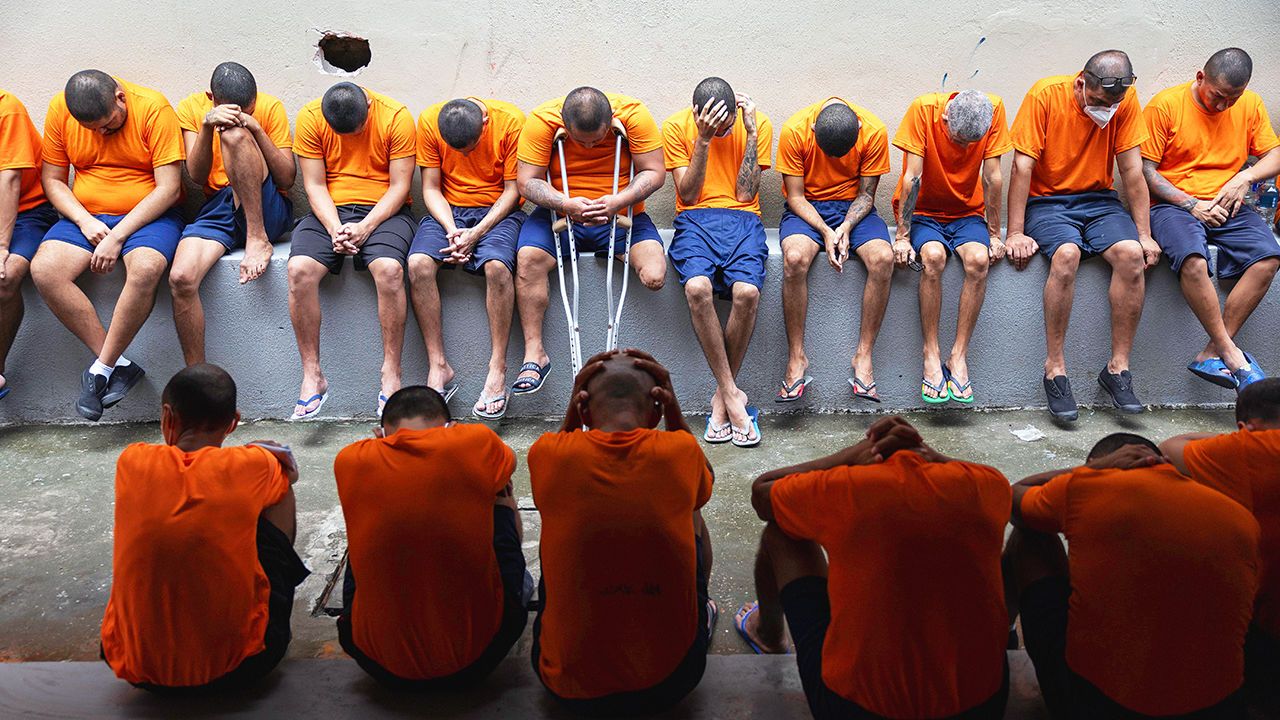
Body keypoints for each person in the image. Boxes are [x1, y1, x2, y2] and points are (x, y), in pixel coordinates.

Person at [740, 416, 1011, 719]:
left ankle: (770, 634)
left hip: (854, 709)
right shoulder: (986, 485)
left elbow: (762, 492)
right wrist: (933, 454)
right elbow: (1010, 494)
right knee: (990, 544)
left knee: (781, 534)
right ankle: (1006, 632)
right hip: (982, 706)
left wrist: (851, 456)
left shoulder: (847, 486)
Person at [1006, 432, 1259, 718]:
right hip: (1221, 707)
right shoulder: (1238, 515)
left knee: (1029, 537)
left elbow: (1013, 501)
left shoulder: (1086, 487)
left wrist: (1088, 472)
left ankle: (1005, 635)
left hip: (1100, 704)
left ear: (1098, 463)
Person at [527, 348, 715, 714]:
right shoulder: (679, 452)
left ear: (583, 409)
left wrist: (574, 405)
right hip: (671, 682)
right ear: (657, 409)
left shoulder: (549, 453)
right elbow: (704, 479)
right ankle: (702, 609)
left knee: (560, 508)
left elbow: (561, 445)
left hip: (566, 685)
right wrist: (672, 408)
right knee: (691, 503)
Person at [100, 364, 308, 693]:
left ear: (168, 416)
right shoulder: (253, 465)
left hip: (133, 663)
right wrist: (257, 451)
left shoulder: (132, 460)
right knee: (279, 491)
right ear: (233, 422)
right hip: (243, 668)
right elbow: (289, 473)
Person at [334, 385, 530, 688]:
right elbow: (508, 468)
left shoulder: (350, 460)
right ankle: (516, 586)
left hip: (377, 662)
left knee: (368, 522)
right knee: (500, 492)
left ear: (379, 435)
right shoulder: (475, 441)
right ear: (451, 428)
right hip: (478, 659)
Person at [1006, 50, 1161, 421]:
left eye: (1112, 103)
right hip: (1049, 202)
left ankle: (1117, 369)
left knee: (1130, 255)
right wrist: (1014, 231)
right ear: (1081, 84)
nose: (1105, 109)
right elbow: (1021, 166)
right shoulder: (1045, 95)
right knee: (1066, 255)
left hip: (1099, 200)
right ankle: (1055, 368)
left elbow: (1132, 170)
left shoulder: (1124, 101)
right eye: (1097, 101)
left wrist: (1144, 234)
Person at [32, 70, 186, 421]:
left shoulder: (152, 108)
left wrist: (117, 236)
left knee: (146, 267)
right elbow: (52, 181)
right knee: (44, 270)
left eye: (109, 125)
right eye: (93, 130)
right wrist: (86, 221)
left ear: (120, 97)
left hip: (150, 216)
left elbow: (168, 188)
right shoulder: (61, 110)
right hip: (86, 216)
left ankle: (100, 369)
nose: (101, 133)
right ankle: (118, 365)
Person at [512, 87, 667, 396]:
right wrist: (566, 204)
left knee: (655, 275)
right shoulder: (543, 120)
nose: (589, 146)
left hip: (621, 215)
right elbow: (526, 181)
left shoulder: (634, 114)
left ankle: (607, 249)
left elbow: (655, 172)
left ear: (611, 121)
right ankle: (535, 355)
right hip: (560, 214)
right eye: (580, 141)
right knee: (528, 259)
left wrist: (617, 201)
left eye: (597, 140)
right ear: (565, 126)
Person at [1142, 48, 1278, 392]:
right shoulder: (1166, 105)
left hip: (1228, 203)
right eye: (1217, 96)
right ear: (1200, 77)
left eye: (1232, 99)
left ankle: (1212, 351)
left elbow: (1274, 154)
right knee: (1192, 259)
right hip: (1173, 205)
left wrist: (1243, 179)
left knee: (1269, 256)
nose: (1223, 106)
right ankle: (1232, 355)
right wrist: (1191, 204)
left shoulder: (1249, 105)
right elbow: (1145, 170)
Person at [288, 82, 416, 420]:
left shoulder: (395, 117)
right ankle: (312, 374)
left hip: (384, 210)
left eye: (356, 131)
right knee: (298, 270)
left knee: (389, 270)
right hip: (331, 210)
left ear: (368, 110)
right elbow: (314, 184)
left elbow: (400, 187)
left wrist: (365, 227)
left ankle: (391, 374)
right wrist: (334, 228)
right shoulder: (311, 117)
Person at [663, 77, 772, 446]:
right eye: (717, 128)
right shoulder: (677, 127)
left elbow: (745, 193)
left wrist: (752, 134)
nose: (725, 133)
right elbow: (689, 195)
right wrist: (704, 139)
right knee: (697, 287)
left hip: (744, 218)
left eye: (727, 128)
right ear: (697, 114)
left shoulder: (756, 125)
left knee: (746, 294)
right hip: (695, 219)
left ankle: (720, 399)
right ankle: (732, 397)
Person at [1161, 377, 1280, 713]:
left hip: (1264, 635)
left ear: (1247, 428)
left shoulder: (1246, 449)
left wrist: (1244, 438)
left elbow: (1170, 449)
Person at [169, 61, 296, 366]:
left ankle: (256, 237)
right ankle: (198, 378)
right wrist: (206, 126)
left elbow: (287, 179)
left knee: (235, 136)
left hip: (267, 207)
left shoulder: (270, 107)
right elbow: (198, 177)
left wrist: (256, 128)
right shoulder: (192, 108)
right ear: (210, 96)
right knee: (181, 278)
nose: (244, 115)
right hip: (220, 206)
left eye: (249, 110)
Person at [893, 89, 1012, 405]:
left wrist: (995, 234)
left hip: (967, 213)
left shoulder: (993, 109)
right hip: (924, 213)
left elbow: (993, 177)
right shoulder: (924, 110)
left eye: (971, 143)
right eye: (958, 140)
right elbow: (911, 178)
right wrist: (903, 236)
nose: (964, 148)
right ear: (945, 116)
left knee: (978, 260)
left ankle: (958, 356)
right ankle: (931, 352)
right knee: (932, 257)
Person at [409, 97, 526, 418]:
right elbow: (430, 188)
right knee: (417, 264)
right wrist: (452, 229)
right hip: (448, 212)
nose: (462, 156)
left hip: (499, 213)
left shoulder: (510, 121)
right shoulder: (430, 119)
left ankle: (497, 369)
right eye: (456, 150)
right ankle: (438, 366)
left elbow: (514, 190)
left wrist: (477, 232)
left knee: (498, 268)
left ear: (485, 123)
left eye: (469, 148)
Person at [775, 96, 892, 404]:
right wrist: (827, 231)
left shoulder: (874, 131)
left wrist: (846, 227)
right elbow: (796, 197)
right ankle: (796, 357)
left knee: (883, 259)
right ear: (813, 130)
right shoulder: (795, 130)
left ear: (858, 128)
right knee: (795, 258)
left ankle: (863, 357)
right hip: (808, 207)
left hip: (854, 208)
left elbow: (867, 195)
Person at [0, 89, 57, 400]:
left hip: (27, 212)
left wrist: (1, 247)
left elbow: (9, 180)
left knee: (5, 276)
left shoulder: (6, 109)